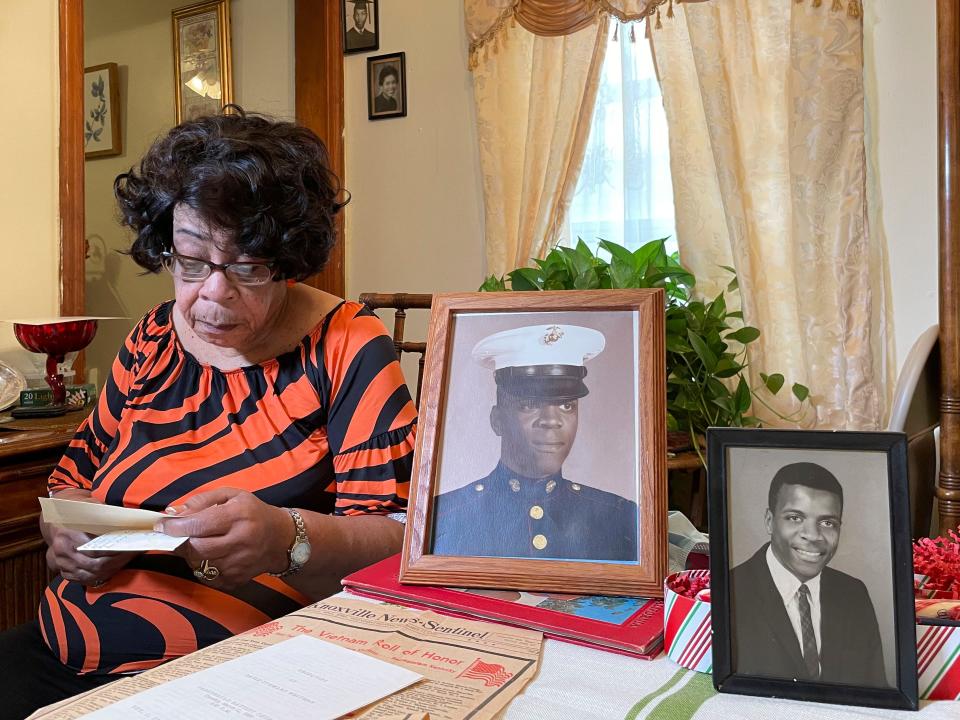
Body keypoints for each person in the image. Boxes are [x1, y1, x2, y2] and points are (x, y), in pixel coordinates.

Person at [0, 108, 417, 719]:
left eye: (247, 267)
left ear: (290, 259)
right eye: (191, 263)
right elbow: (74, 474)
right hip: (60, 652)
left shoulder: (347, 344)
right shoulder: (152, 337)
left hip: (237, 681)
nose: (214, 293)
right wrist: (61, 532)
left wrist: (286, 540)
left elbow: (400, 542)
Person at [431, 324, 637, 561]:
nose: (551, 420)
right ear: (497, 421)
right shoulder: (445, 515)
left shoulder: (618, 517)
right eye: (529, 404)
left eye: (566, 405)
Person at [730, 462, 888, 687]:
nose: (813, 535)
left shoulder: (854, 593)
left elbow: (874, 688)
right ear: (769, 521)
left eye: (827, 522)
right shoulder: (732, 590)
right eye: (795, 518)